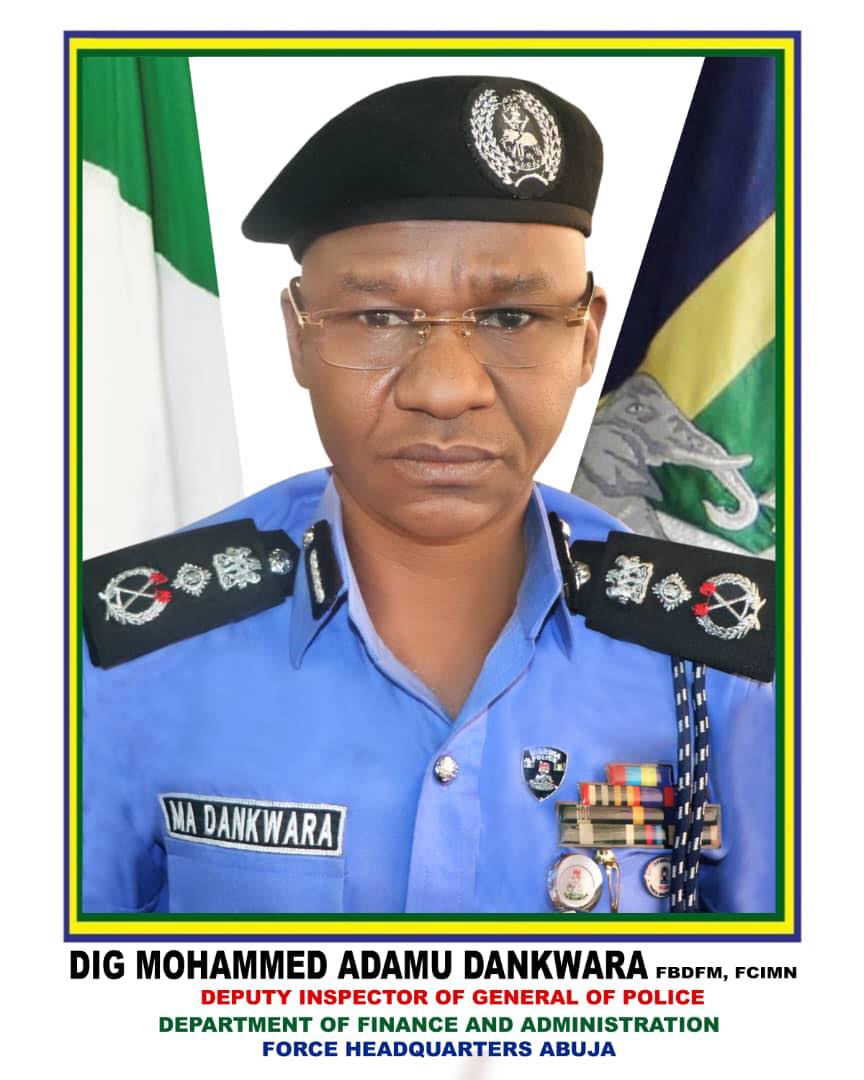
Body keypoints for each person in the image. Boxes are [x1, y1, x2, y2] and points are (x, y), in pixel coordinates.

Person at [82, 75, 775, 915]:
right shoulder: (130, 657)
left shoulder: (723, 668)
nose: (446, 390)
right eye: (378, 318)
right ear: (298, 337)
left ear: (587, 337)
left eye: (512, 317)